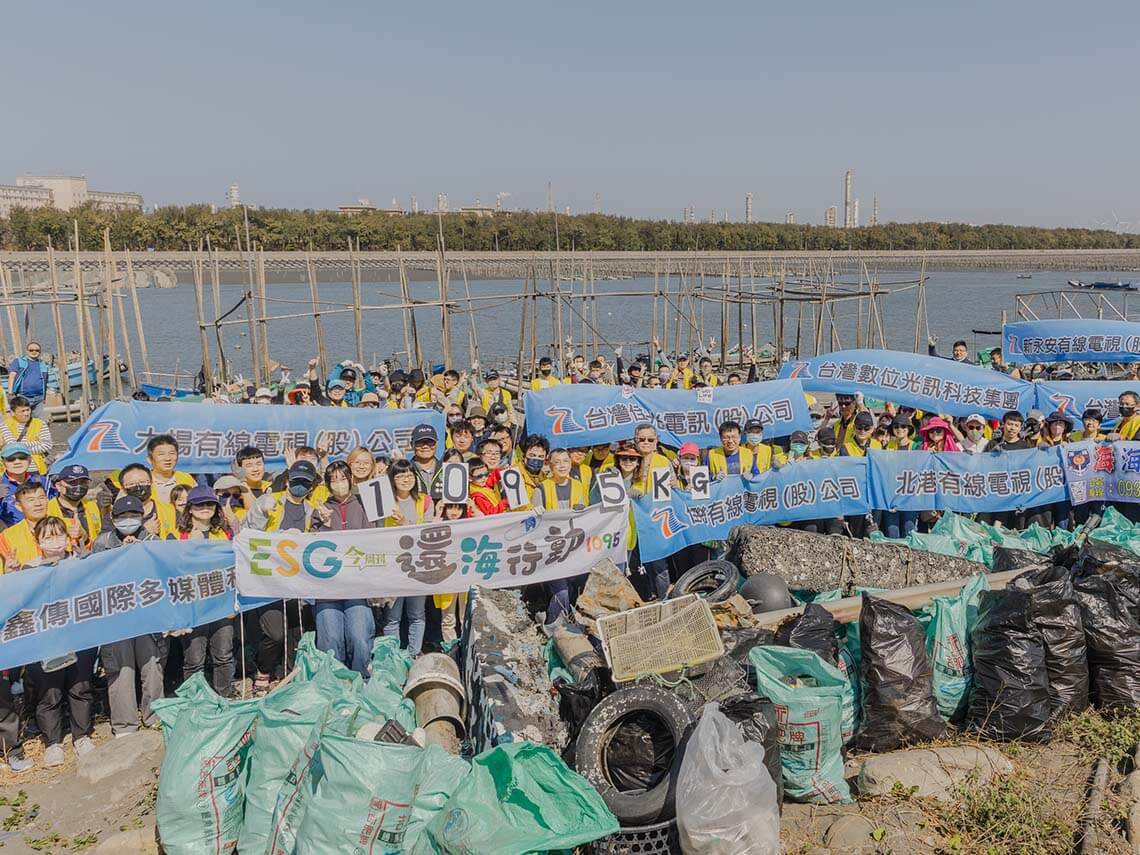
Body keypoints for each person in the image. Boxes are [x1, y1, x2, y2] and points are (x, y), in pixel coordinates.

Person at [244, 460, 322, 691]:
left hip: (298, 581)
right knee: (275, 633)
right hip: (268, 580)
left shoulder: (313, 510)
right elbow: (248, 535)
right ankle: (263, 668)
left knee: (296, 630)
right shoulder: (269, 502)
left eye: (305, 483)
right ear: (287, 480)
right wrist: (279, 535)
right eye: (296, 480)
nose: (300, 486)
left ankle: (289, 673)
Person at [93, 496, 166, 735]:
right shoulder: (103, 542)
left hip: (147, 616)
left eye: (133, 516)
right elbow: (95, 576)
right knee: (120, 670)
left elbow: (162, 572)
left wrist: (141, 552)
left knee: (152, 667)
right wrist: (120, 555)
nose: (128, 521)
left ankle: (155, 716)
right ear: (113, 519)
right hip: (116, 618)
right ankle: (124, 725)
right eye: (122, 517)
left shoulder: (153, 540)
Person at [312, 460, 376, 677]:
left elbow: (376, 537)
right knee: (331, 638)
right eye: (333, 480)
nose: (339, 483)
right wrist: (325, 524)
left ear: (350, 479)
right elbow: (313, 551)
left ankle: (361, 678)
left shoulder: (364, 504)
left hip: (358, 585)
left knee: (359, 635)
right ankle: (334, 681)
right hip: (327, 587)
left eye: (342, 478)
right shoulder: (321, 509)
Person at [383, 459, 432, 656]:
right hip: (392, 567)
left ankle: (414, 654)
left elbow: (427, 532)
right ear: (392, 479)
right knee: (392, 616)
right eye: (400, 475)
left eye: (409, 474)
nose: (406, 479)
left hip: (418, 566)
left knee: (417, 614)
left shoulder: (424, 501)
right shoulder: (384, 501)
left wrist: (405, 522)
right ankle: (392, 657)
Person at [537, 449, 588, 623]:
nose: (562, 465)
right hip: (553, 551)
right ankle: (553, 626)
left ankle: (572, 623)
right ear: (550, 465)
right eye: (557, 462)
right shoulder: (542, 488)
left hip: (574, 548)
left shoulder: (578, 486)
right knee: (561, 592)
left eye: (565, 461)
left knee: (579, 587)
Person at [46, 463, 101, 551]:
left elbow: (100, 535)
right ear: (58, 486)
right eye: (72, 482)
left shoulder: (92, 506)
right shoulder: (47, 510)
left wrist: (84, 537)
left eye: (83, 482)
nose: (78, 486)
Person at [0, 481, 53, 570]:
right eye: (31, 500)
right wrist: (8, 573)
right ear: (18, 506)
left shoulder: (64, 526)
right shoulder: (7, 537)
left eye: (41, 498)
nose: (38, 504)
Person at [0, 442, 54, 527]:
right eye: (11, 459)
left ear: (30, 460)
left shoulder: (44, 482)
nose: (17, 462)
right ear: (3, 462)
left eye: (22, 458)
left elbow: (55, 508)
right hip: (9, 535)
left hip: (42, 532)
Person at [2, 395, 53, 474]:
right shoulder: (5, 425)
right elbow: (11, 447)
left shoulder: (40, 424)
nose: (26, 413)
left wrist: (21, 448)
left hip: (36, 468)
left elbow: (47, 445)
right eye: (22, 411)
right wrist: (36, 442)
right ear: (12, 413)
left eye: (27, 410)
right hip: (13, 470)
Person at [146, 434, 197, 504]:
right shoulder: (144, 481)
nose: (168, 458)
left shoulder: (186, 478)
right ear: (149, 459)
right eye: (161, 454)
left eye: (172, 453)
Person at [7, 341, 46, 416]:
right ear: (27, 351)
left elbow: (45, 381)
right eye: (31, 350)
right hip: (23, 396)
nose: (34, 352)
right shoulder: (19, 361)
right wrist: (10, 393)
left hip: (39, 398)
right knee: (22, 419)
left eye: (37, 350)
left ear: (40, 352)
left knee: (36, 422)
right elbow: (12, 376)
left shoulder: (42, 364)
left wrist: (44, 397)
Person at [410, 424, 443, 501]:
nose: (425, 446)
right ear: (412, 444)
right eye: (420, 442)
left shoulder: (447, 469)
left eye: (430, 442)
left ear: (437, 444)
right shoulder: (405, 471)